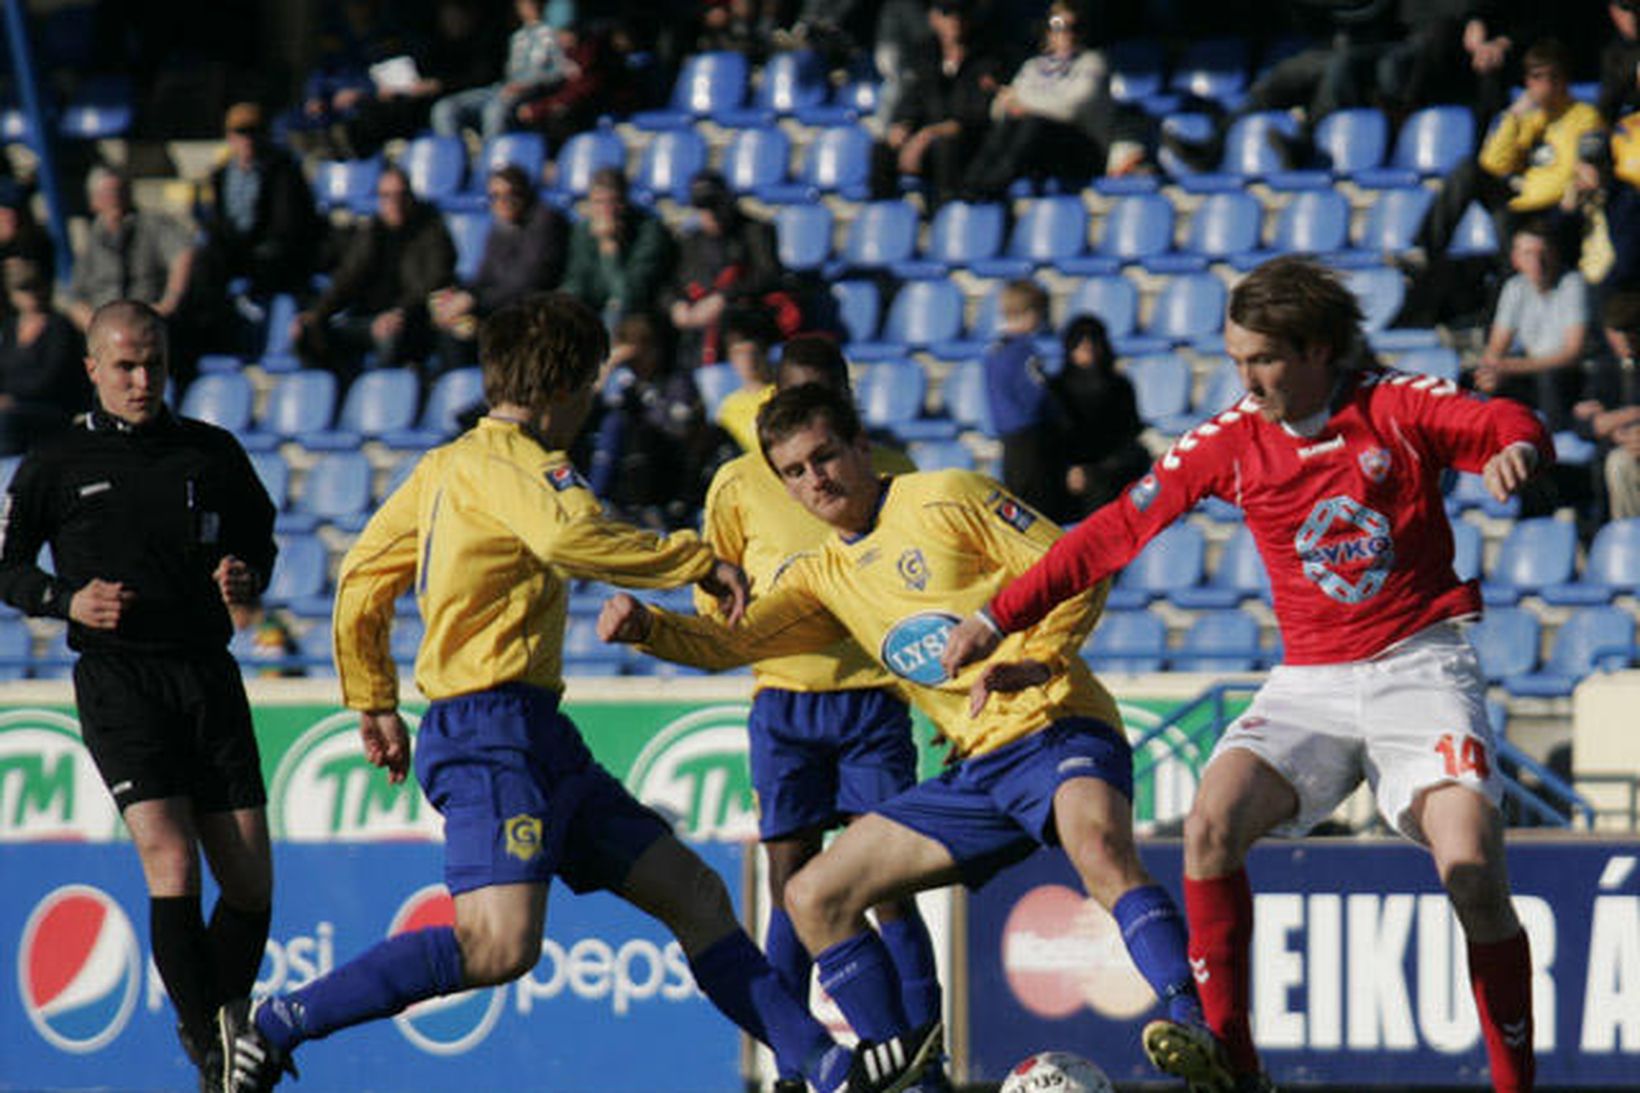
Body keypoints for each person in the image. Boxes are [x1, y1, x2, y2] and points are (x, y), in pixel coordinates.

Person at [216, 293, 939, 1093]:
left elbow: (360, 575)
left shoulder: (446, 463)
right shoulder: (532, 466)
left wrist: (374, 698)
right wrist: (692, 559)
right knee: (498, 943)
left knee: (695, 894)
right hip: (491, 734)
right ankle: (280, 1023)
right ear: (565, 386)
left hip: (535, 735)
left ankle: (829, 1067)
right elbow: (570, 536)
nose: (593, 402)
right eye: (591, 384)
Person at [942, 256, 1551, 1093]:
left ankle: (1516, 1082)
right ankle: (1235, 1068)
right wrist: (996, 613)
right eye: (1236, 360)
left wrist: (1517, 446)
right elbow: (1114, 528)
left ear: (1318, 349)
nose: (1249, 379)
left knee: (1475, 873)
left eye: (1263, 359)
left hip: (1420, 662)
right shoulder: (1232, 441)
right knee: (1209, 822)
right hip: (1311, 680)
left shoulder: (1395, 405)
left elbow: (1503, 421)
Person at [599, 383, 1234, 1093]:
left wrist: (1037, 657)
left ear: (862, 445)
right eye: (795, 473)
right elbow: (731, 641)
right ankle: (894, 1060)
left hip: (1055, 722)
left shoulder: (948, 496)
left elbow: (1077, 565)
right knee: (812, 894)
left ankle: (1197, 1029)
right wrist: (650, 629)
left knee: (1101, 851)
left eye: (826, 456)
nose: (817, 481)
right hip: (978, 770)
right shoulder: (824, 574)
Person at [0, 300, 278, 1093]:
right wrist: (66, 601)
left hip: (206, 674)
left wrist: (247, 572)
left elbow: (258, 536)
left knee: (253, 881)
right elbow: (7, 566)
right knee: (171, 855)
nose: (141, 379)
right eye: (124, 365)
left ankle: (221, 1027)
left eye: (153, 364)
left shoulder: (210, 452)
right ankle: (216, 1050)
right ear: (92, 368)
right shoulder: (54, 461)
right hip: (121, 680)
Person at [696, 336, 946, 1091]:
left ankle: (923, 1059)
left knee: (889, 882)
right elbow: (714, 586)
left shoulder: (892, 472)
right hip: (784, 703)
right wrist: (729, 601)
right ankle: (798, 1065)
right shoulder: (739, 483)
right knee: (791, 881)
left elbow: (929, 588)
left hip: (873, 697)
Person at [1417, 38, 1603, 259]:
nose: (1546, 84)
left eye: (1553, 76)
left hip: (1552, 208)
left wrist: (1531, 191)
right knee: (1468, 169)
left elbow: (1578, 170)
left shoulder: (1584, 117)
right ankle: (1426, 251)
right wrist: (1514, 117)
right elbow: (1493, 165)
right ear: (1528, 82)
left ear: (1565, 80)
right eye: (1537, 77)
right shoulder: (1524, 117)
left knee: (1516, 237)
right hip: (1519, 202)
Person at [291, 165, 456, 380]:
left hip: (409, 322)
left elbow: (434, 281)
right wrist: (316, 313)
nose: (394, 202)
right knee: (307, 333)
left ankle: (380, 399)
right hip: (366, 319)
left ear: (411, 197)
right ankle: (335, 394)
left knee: (389, 335)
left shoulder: (431, 231)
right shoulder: (371, 232)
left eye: (401, 195)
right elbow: (347, 278)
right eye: (386, 196)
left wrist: (399, 312)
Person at [960, 3, 1116, 199]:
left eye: (1075, 27)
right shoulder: (1032, 67)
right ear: (1048, 31)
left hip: (1080, 149)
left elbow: (1069, 109)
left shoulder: (1093, 63)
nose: (1067, 33)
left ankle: (993, 186)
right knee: (1008, 127)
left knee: (1033, 124)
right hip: (1040, 146)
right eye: (1058, 26)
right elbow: (1000, 108)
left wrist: (1023, 102)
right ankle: (972, 183)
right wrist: (1017, 103)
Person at [430, 164, 568, 369]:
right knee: (447, 324)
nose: (503, 202)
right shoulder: (500, 228)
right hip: (498, 309)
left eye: (511, 194)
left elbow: (528, 282)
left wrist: (473, 300)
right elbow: (484, 276)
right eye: (495, 196)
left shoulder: (546, 222)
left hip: (531, 313)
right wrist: (456, 296)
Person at [585, 312, 715, 528]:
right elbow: (584, 419)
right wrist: (607, 370)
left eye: (641, 351)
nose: (636, 362)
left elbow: (680, 428)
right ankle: (593, 504)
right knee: (613, 423)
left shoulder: (676, 383)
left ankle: (596, 502)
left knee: (617, 424)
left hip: (665, 469)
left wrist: (647, 400)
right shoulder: (622, 385)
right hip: (626, 477)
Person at [872, 0, 1000, 212]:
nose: (954, 22)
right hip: (927, 136)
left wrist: (926, 135)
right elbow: (913, 98)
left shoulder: (984, 59)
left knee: (945, 146)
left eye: (959, 15)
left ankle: (944, 213)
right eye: (947, 15)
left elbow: (974, 115)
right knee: (883, 150)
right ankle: (881, 215)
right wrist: (903, 123)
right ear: (934, 19)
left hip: (965, 142)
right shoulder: (925, 56)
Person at [197, 103, 324, 301]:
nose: (248, 140)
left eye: (254, 133)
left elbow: (287, 224)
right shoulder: (220, 176)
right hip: (232, 250)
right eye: (241, 133)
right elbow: (216, 220)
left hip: (269, 252)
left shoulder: (284, 171)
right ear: (230, 137)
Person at [1474, 220, 1590, 432]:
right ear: (1515, 259)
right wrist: (1491, 373)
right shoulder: (1515, 287)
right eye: (1528, 254)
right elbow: (1495, 350)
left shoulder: (1573, 284)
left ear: (1555, 254)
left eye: (1543, 253)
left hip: (1569, 377)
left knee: (1550, 379)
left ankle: (1556, 444)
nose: (1537, 262)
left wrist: (1509, 366)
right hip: (1532, 372)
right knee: (1480, 381)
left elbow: (1573, 354)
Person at [668, 170, 786, 372]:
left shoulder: (756, 231)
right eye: (703, 208)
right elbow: (674, 282)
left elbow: (769, 275)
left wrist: (723, 298)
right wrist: (675, 305)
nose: (711, 214)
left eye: (715, 205)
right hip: (696, 320)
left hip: (745, 315)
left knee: (731, 322)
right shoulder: (690, 242)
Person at [65, 167, 198, 336]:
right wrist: (96, 326)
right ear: (94, 201)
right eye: (107, 193)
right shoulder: (91, 240)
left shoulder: (152, 225)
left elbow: (184, 253)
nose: (114, 198)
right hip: (106, 327)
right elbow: (76, 296)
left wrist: (169, 302)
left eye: (118, 191)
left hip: (148, 321)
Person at [1049, 313, 1150, 522]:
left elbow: (1128, 436)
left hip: (1108, 475)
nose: (1088, 351)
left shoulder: (1119, 386)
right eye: (1080, 344)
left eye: (1093, 343)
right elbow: (1051, 438)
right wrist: (1069, 471)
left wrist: (1095, 471)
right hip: (1063, 477)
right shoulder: (1056, 389)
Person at [430, 0, 571, 142]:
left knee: (494, 111)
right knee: (445, 107)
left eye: (533, 3)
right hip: (501, 89)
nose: (529, 8)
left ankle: (489, 158)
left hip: (529, 92)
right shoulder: (517, 37)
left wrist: (528, 84)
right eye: (524, 4)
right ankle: (452, 157)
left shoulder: (553, 35)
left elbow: (560, 72)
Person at [983, 279, 1062, 520]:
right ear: (1030, 314)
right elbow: (1036, 395)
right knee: (1039, 509)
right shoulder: (1024, 351)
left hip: (1008, 440)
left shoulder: (994, 351)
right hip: (1029, 440)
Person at [560, 167, 675, 326]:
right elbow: (577, 280)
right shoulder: (582, 231)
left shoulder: (649, 231)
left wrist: (609, 249)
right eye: (599, 203)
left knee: (616, 314)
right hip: (594, 306)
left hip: (636, 313)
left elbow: (628, 296)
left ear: (625, 202)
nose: (607, 211)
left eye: (613, 202)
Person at [0, 260, 89, 455]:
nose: (31, 293)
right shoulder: (9, 329)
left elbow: (51, 377)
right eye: (23, 288)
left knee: (4, 419)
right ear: (12, 294)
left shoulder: (59, 327)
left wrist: (12, 397)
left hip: (52, 407)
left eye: (35, 286)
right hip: (15, 404)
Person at [716, 308, 779, 452]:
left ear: (765, 353)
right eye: (739, 354)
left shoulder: (781, 393)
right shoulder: (728, 407)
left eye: (753, 353)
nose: (747, 361)